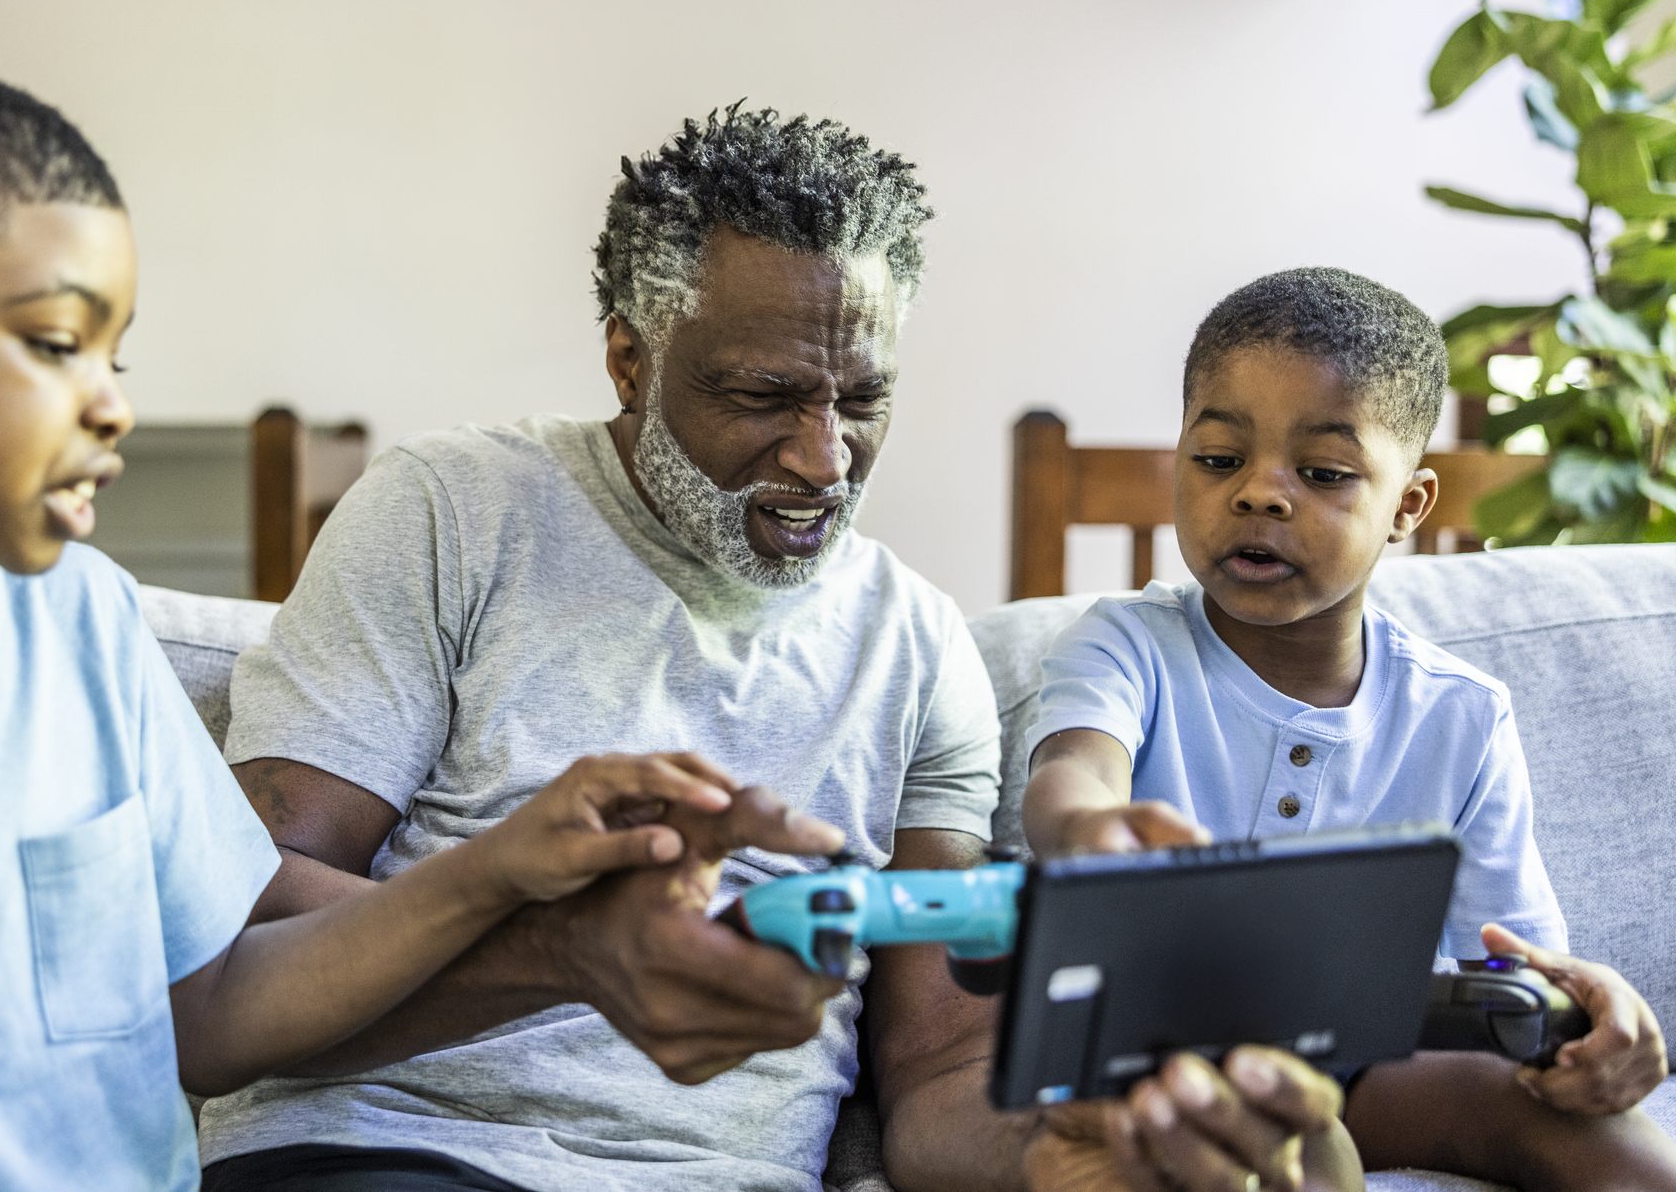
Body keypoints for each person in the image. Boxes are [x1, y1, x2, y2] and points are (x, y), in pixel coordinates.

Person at [0, 50, 844, 1192]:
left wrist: (505, 874)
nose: (110, 403)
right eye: (56, 343)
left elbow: (211, 997)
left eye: (117, 354)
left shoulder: (73, 621)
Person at [197, 108, 1361, 1192]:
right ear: (628, 361)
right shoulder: (454, 508)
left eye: (862, 399)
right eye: (763, 395)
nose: (823, 459)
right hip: (389, 1148)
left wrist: (1059, 1142)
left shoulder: (917, 647)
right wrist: (552, 949)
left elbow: (937, 1069)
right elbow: (240, 916)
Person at [1021, 267, 1676, 1188]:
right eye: (1218, 460)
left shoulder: (1464, 714)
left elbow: (1514, 958)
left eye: (1324, 474)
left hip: (1369, 1068)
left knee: (1608, 1145)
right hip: (1152, 1055)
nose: (1260, 495)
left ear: (1407, 506)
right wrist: (1088, 828)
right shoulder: (1126, 643)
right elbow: (1074, 772)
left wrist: (1593, 1017)